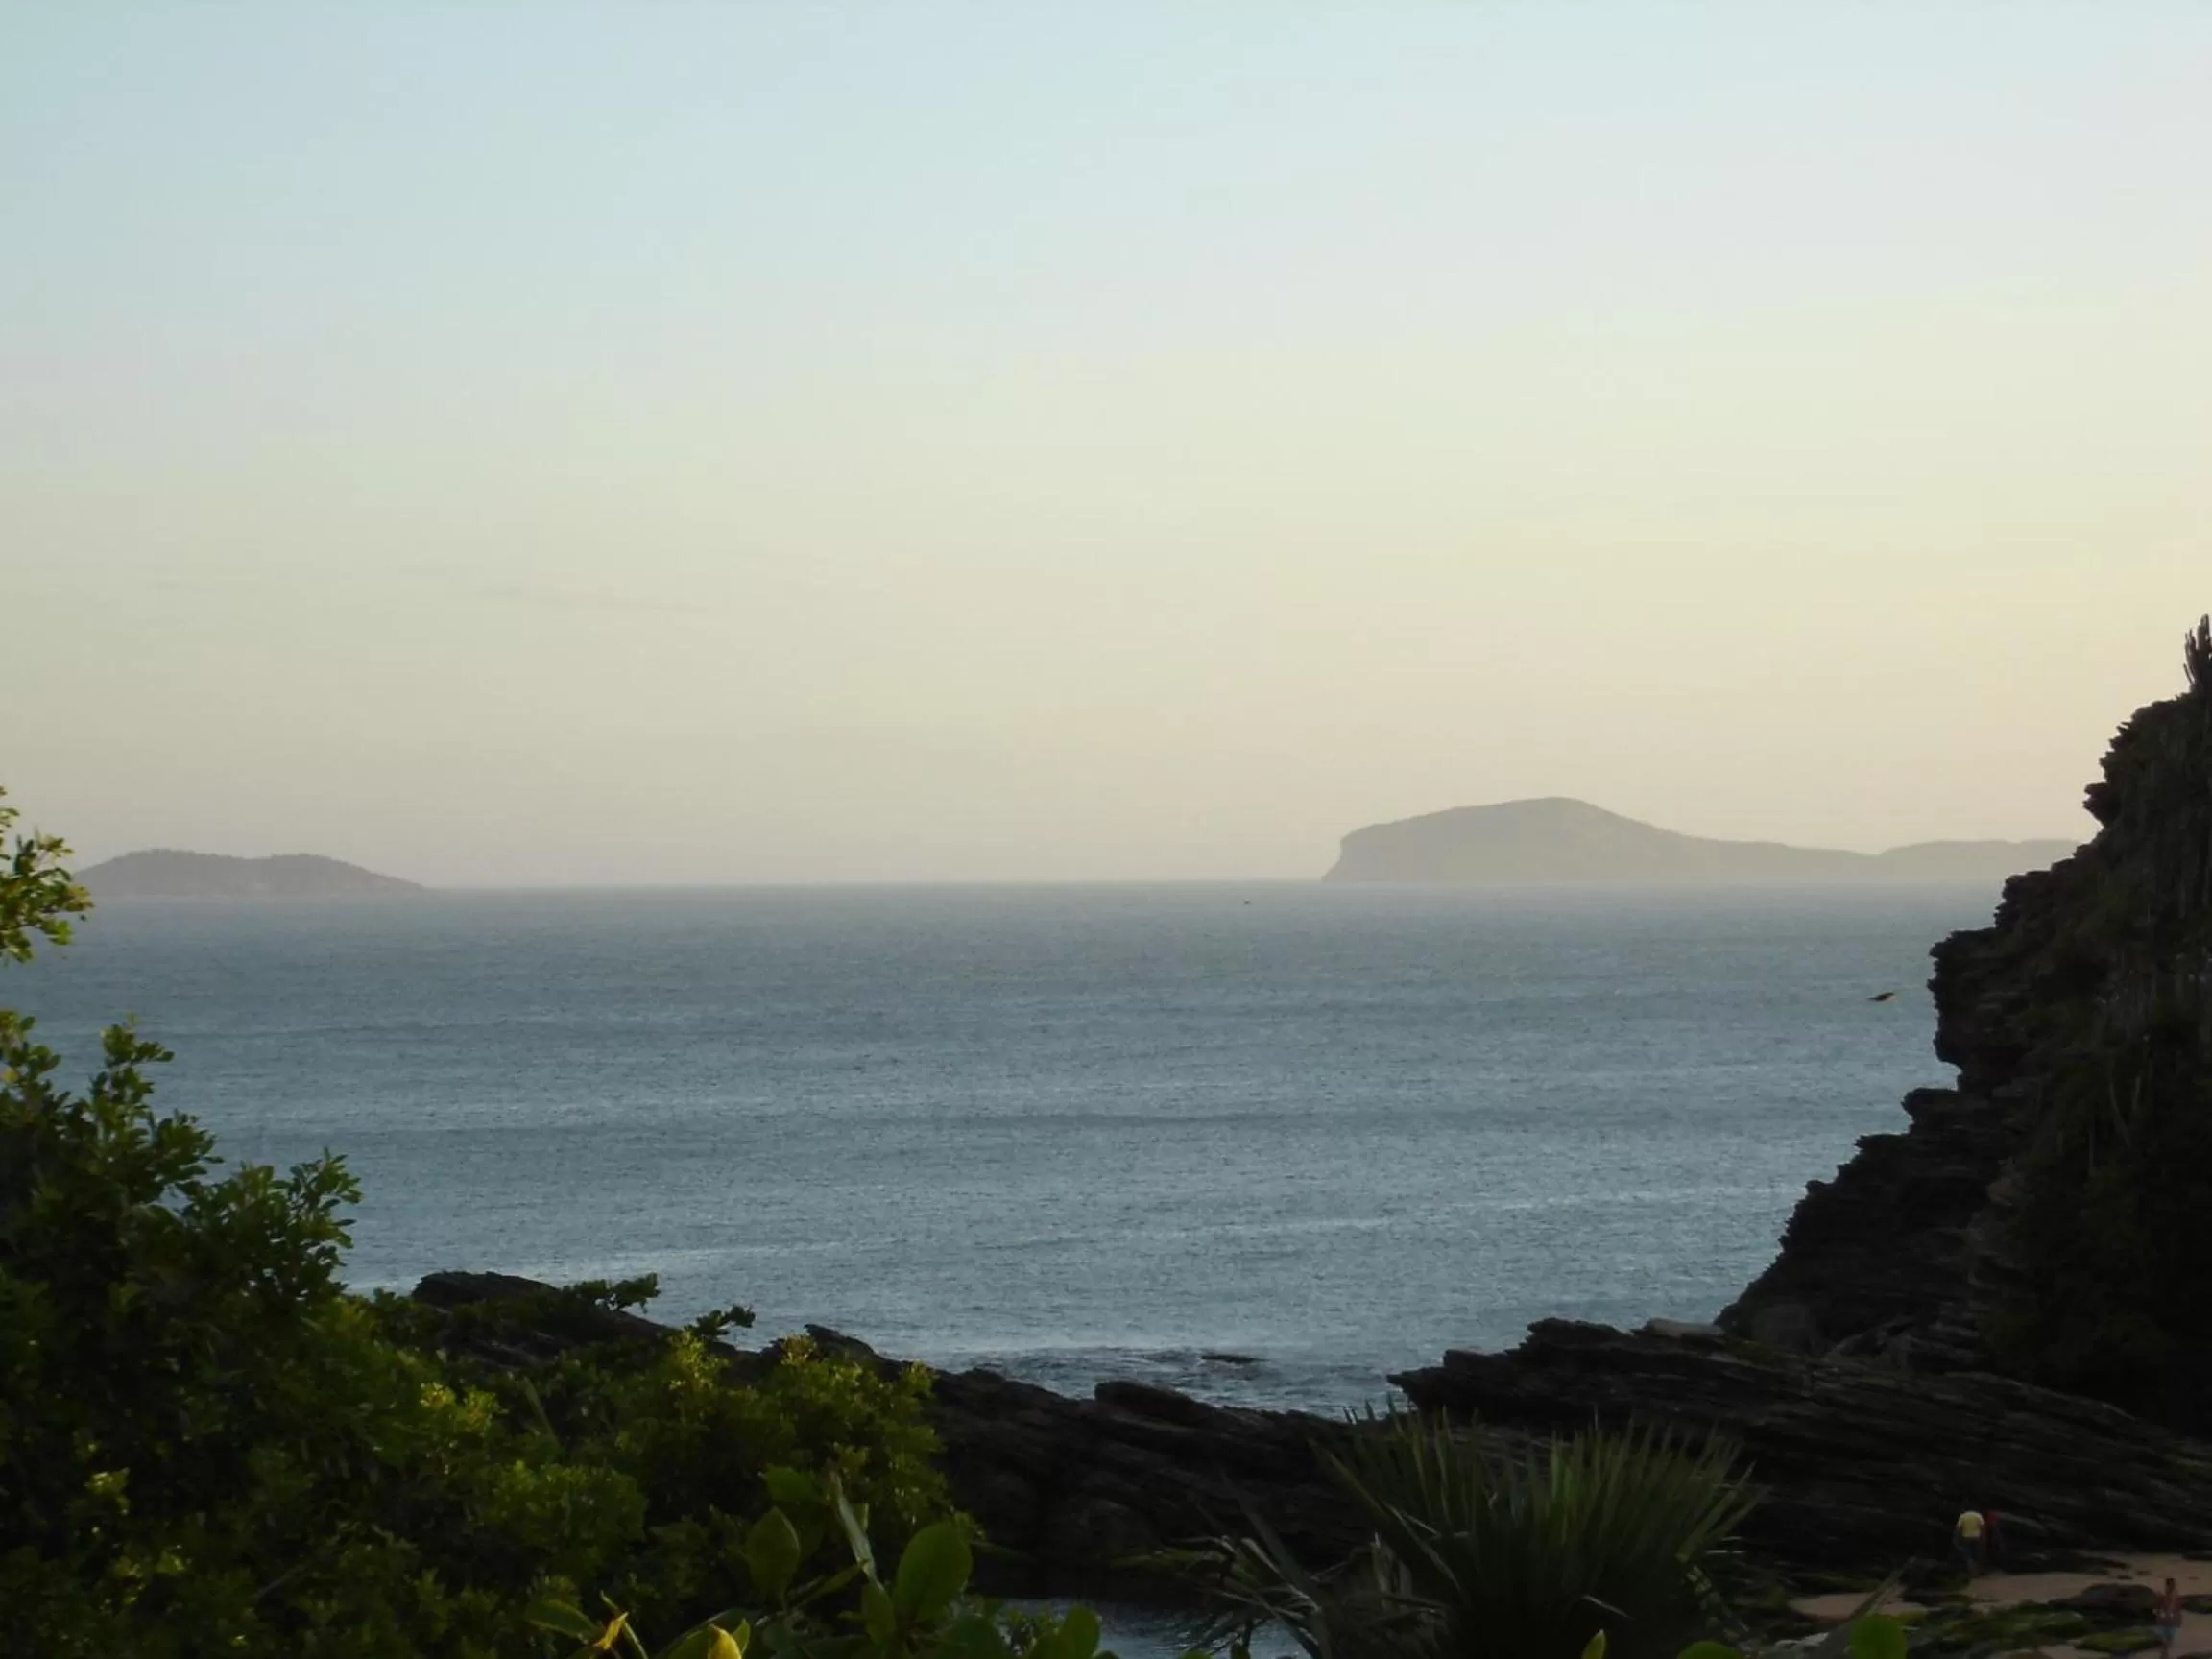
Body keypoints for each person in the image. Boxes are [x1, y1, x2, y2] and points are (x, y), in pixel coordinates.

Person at [1953, 1508, 1986, 1577]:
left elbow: (1958, 1528)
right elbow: (1983, 1527)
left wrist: (1956, 1538)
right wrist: (1983, 1537)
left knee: (1969, 1555)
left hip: (1966, 1538)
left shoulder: (1962, 1516)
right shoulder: (1978, 1515)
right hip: (1976, 1538)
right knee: (1977, 1555)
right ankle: (1978, 1572)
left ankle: (1972, 1573)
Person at [2155, 1576, 2183, 1659]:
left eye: (2170, 1585)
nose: (2170, 1586)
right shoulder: (2171, 1595)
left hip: (2169, 1620)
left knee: (2167, 1639)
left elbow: (2172, 1607)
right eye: (2169, 1585)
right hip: (2168, 1620)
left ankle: (2164, 1654)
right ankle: (2165, 1654)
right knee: (2167, 1639)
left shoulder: (2173, 1595)